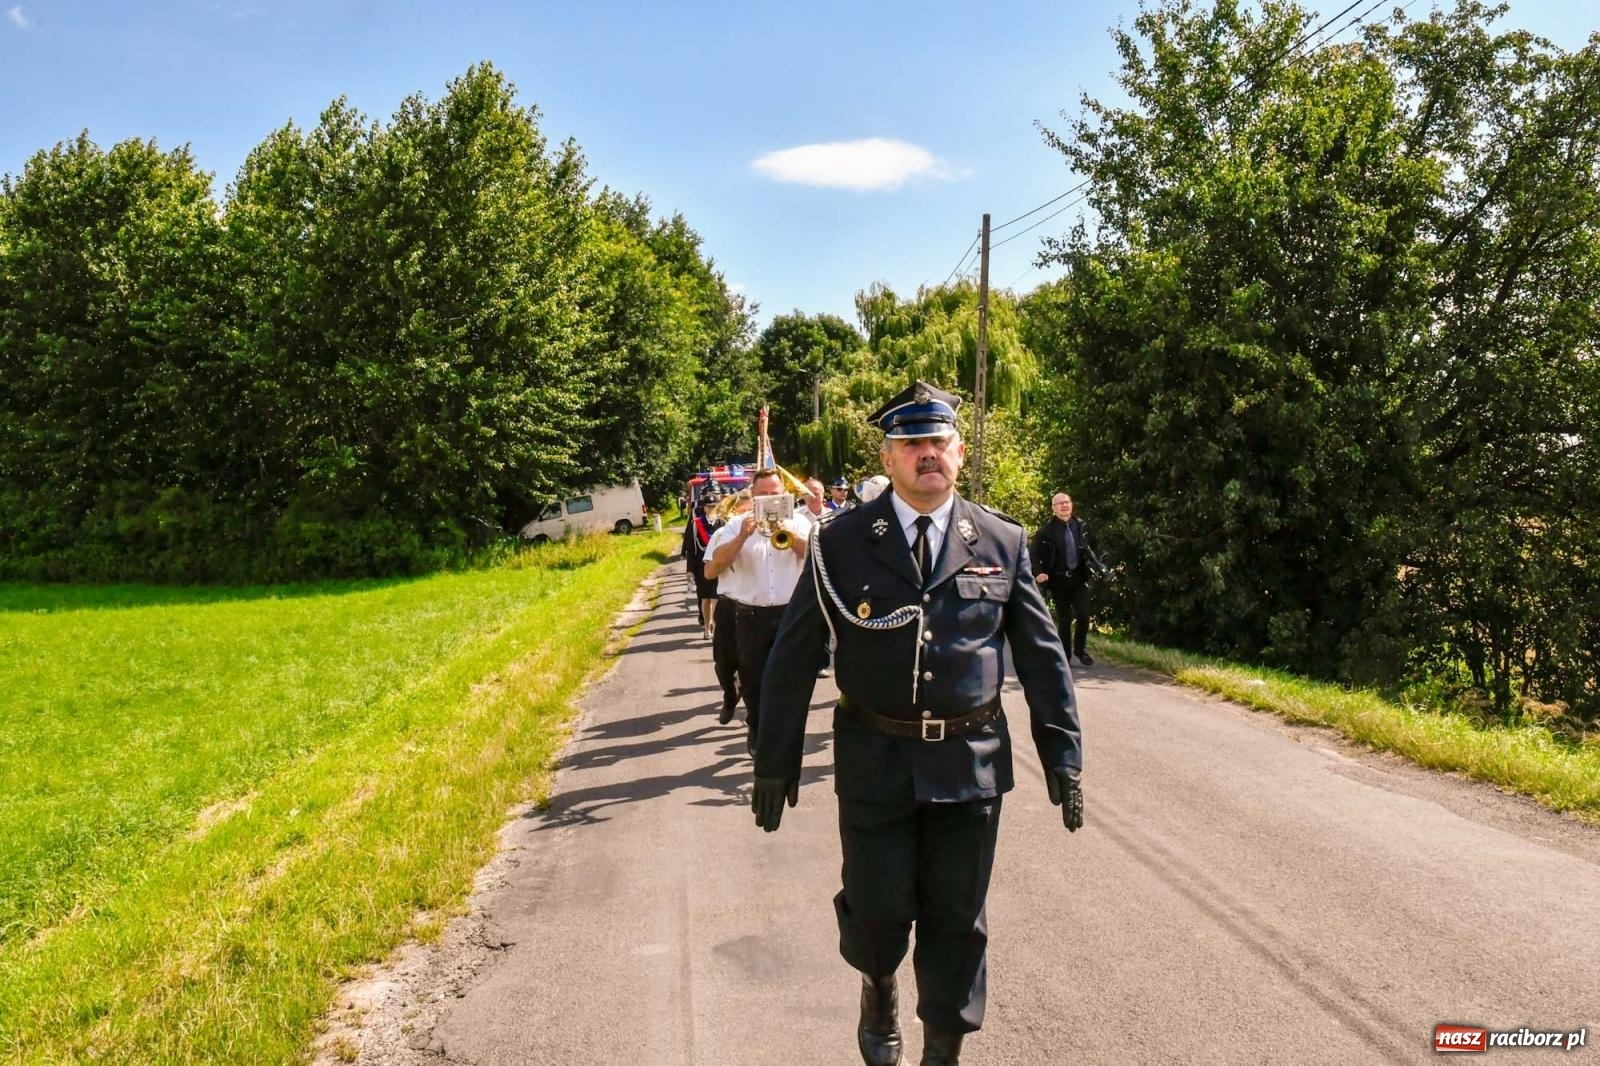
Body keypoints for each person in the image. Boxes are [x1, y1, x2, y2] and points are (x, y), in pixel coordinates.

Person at [752, 381, 1084, 1066]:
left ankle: (942, 1048)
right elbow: (793, 656)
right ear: (888, 456)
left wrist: (1063, 755)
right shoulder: (841, 543)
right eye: (911, 443)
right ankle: (878, 986)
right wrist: (775, 761)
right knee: (877, 909)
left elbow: (1042, 658)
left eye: (938, 441)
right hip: (875, 761)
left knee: (957, 919)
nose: (927, 453)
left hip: (971, 765)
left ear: (959, 453)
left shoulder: (1002, 540)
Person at [703, 469, 814, 755]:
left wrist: (788, 534)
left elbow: (817, 559)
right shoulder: (734, 526)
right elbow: (712, 570)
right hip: (750, 616)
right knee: (753, 680)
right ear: (752, 496)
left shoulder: (800, 522)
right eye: (763, 494)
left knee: (791, 679)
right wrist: (742, 536)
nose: (769, 499)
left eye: (774, 494)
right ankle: (755, 726)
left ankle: (785, 735)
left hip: (791, 614)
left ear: (784, 494)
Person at [1030, 493, 1105, 667]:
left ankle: (1080, 650)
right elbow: (1033, 555)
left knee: (1084, 615)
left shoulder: (1082, 526)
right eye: (1060, 503)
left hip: (1079, 579)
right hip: (1058, 581)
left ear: (1071, 505)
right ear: (1053, 508)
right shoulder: (1046, 531)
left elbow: (1095, 548)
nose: (1064, 506)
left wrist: (1097, 565)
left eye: (1067, 502)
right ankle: (1065, 655)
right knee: (1065, 619)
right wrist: (1038, 573)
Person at [682, 488, 724, 640]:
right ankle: (707, 626)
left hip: (719, 565)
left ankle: (715, 625)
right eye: (708, 506)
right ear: (704, 508)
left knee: (716, 597)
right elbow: (690, 548)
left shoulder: (724, 523)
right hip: (701, 567)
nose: (711, 509)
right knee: (705, 598)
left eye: (714, 506)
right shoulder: (696, 524)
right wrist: (689, 570)